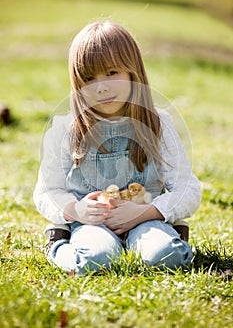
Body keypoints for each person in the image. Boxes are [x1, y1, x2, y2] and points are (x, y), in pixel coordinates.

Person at [33, 21, 201, 275]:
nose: (102, 87)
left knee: (164, 255)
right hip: (91, 224)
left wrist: (148, 212)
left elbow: (187, 188)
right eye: (89, 78)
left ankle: (172, 234)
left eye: (112, 72)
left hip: (145, 219)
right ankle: (58, 243)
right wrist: (75, 210)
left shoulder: (158, 124)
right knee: (95, 259)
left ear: (134, 73)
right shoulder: (65, 129)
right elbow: (47, 191)